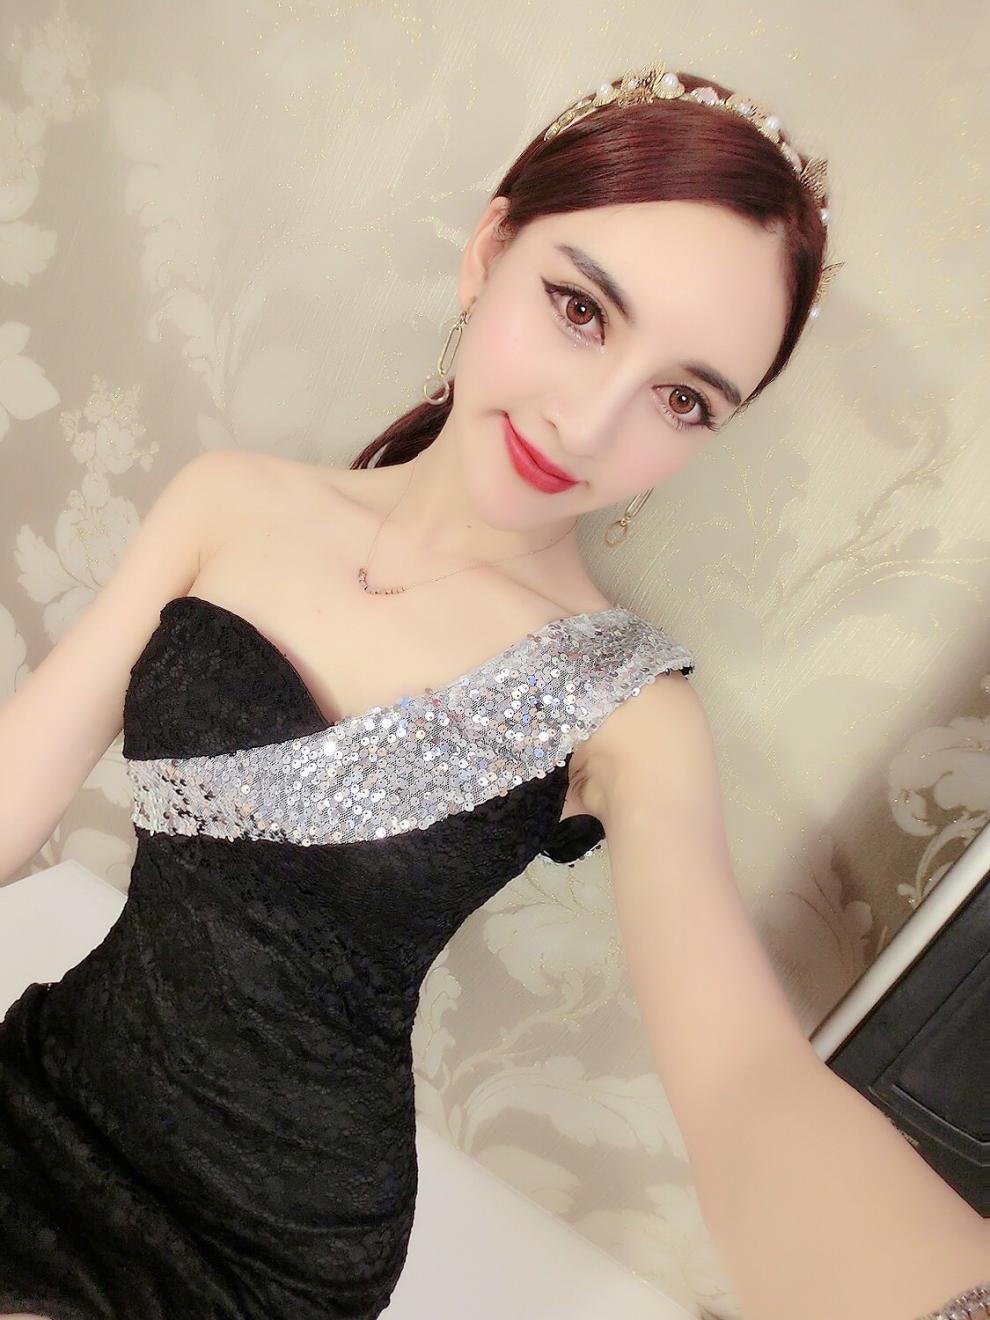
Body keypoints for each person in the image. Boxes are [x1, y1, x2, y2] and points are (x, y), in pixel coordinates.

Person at [0, 60, 986, 1320]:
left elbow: (744, 1078)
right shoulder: (231, 502)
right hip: (48, 1089)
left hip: (259, 1245)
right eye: (581, 310)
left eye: (682, 399)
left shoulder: (627, 707)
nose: (589, 423)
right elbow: (17, 783)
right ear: (488, 250)